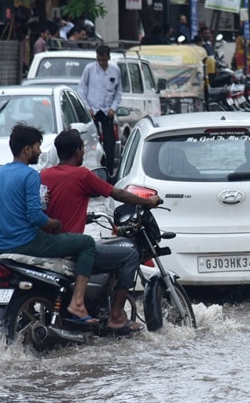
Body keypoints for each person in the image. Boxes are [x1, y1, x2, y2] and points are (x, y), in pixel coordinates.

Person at [41, 129, 162, 332]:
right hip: (73, 250)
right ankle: (115, 315)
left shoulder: (43, 175)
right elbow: (117, 193)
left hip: (50, 247)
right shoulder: (82, 175)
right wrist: (147, 201)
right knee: (130, 254)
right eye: (82, 150)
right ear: (78, 151)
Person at [0, 124, 97, 323]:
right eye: (38, 146)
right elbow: (35, 217)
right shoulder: (30, 175)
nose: (40, 151)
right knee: (87, 243)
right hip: (28, 243)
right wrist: (55, 224)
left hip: (3, 245)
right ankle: (78, 304)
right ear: (27, 150)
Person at [78, 44, 122, 173]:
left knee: (110, 143)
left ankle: (108, 171)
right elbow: (81, 88)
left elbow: (118, 91)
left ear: (108, 58)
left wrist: (113, 107)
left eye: (104, 60)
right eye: (99, 60)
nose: (102, 62)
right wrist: (88, 108)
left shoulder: (115, 70)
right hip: (93, 110)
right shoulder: (90, 69)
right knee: (92, 141)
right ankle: (93, 168)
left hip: (107, 111)